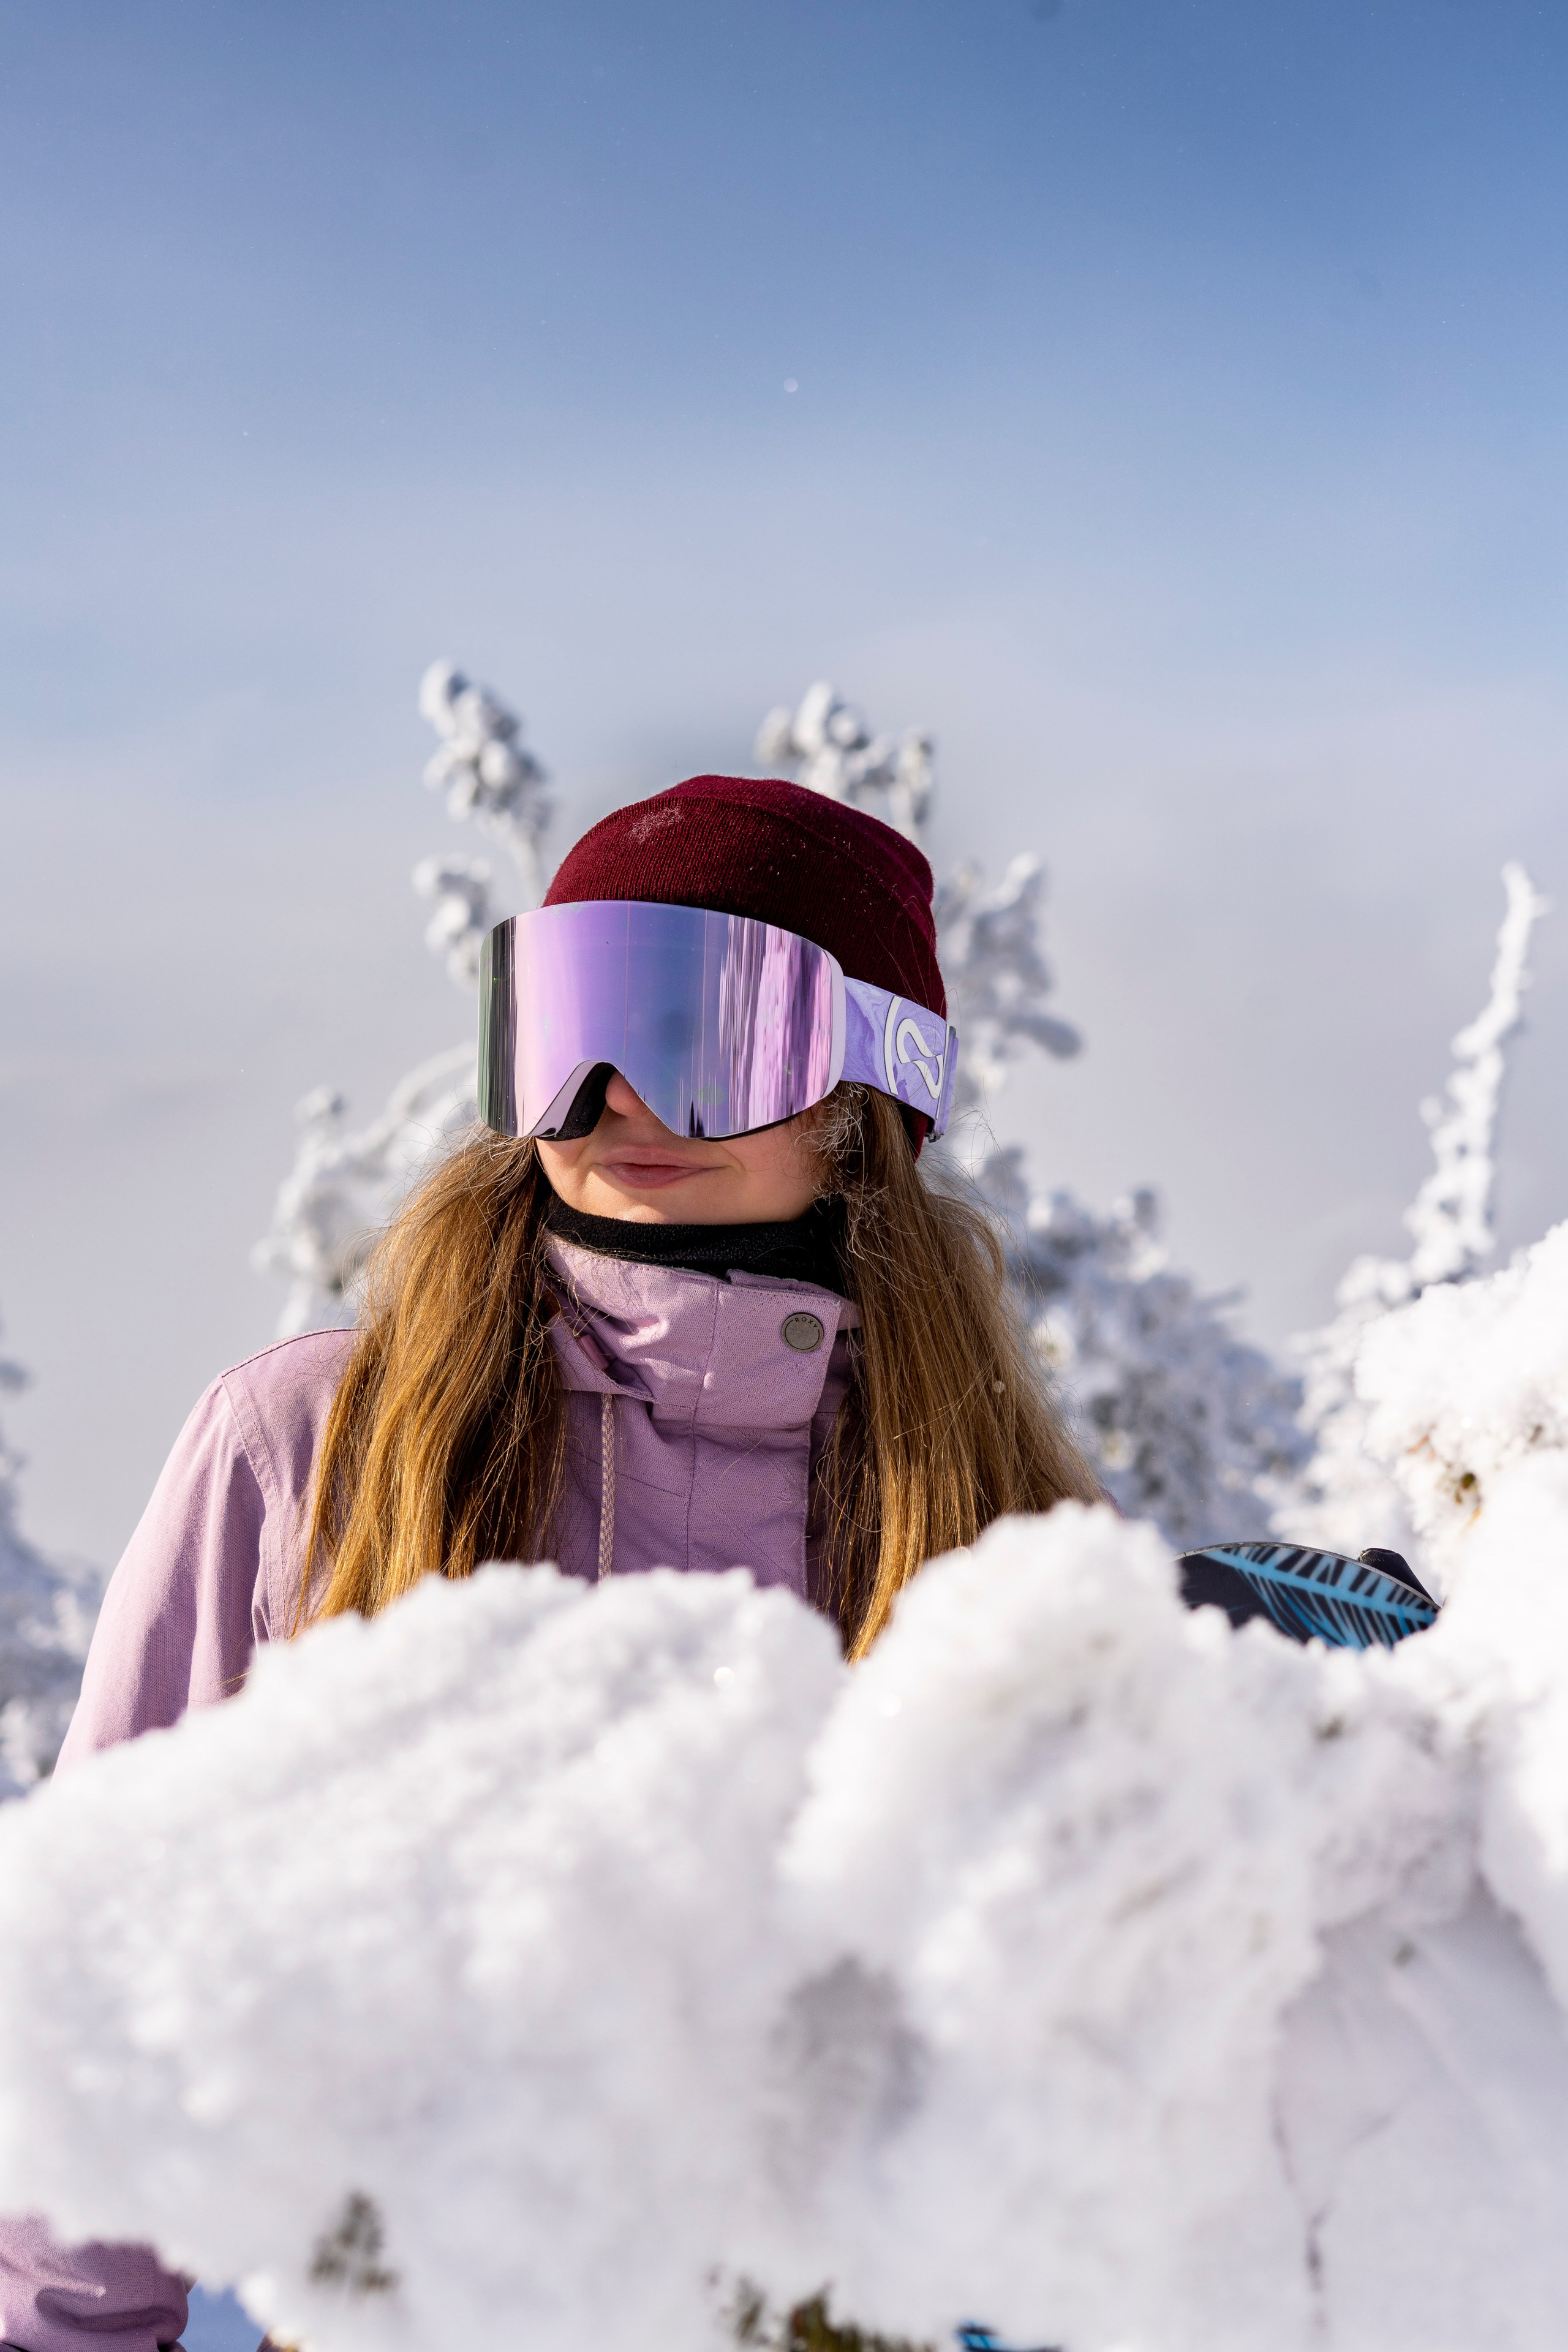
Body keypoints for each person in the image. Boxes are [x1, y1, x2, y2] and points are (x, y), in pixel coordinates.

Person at [0, 775, 1099, 2352]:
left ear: (867, 1087)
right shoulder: (319, 1449)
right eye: (568, 1031)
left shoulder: (983, 1518)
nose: (616, 1099)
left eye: (702, 1035)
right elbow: (94, 1992)